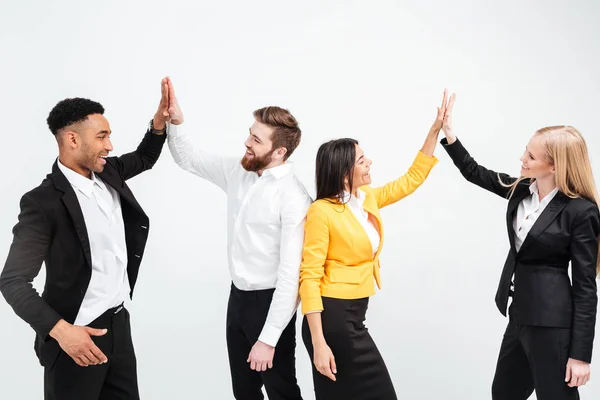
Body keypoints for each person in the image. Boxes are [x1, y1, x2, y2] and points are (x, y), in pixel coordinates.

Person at [0, 79, 171, 399]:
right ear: (72, 139)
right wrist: (61, 332)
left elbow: (145, 157)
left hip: (119, 328)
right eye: (102, 136)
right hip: (75, 337)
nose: (109, 145)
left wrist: (158, 124)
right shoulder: (42, 202)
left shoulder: (108, 172)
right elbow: (13, 280)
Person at [439, 93, 600, 400]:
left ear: (554, 166)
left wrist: (580, 355)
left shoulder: (580, 212)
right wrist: (449, 133)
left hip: (552, 323)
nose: (522, 159)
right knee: (504, 393)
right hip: (519, 315)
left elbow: (584, 288)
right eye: (526, 151)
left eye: (531, 157)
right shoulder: (521, 190)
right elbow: (475, 172)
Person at [164, 78, 310, 400]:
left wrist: (269, 338)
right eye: (249, 133)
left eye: (256, 139)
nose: (246, 142)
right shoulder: (238, 170)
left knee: (282, 392)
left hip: (272, 303)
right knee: (243, 393)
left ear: (279, 151)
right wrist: (176, 122)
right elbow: (189, 159)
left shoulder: (294, 197)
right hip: (238, 299)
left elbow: (291, 277)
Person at [299, 91, 448, 399]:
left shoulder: (366, 198)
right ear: (344, 175)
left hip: (354, 314)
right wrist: (318, 342)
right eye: (362, 160)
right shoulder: (321, 212)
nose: (370, 163)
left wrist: (434, 131)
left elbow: (410, 180)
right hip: (331, 320)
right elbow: (309, 277)